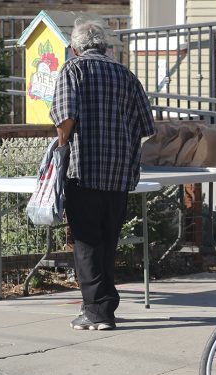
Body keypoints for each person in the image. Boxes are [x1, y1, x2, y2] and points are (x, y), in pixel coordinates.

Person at [50, 19, 155, 330]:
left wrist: (62, 143)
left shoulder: (73, 69)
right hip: (120, 173)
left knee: (85, 242)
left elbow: (65, 118)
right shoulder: (126, 74)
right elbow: (146, 127)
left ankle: (96, 312)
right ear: (106, 46)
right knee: (108, 241)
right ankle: (104, 308)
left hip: (84, 169)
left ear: (75, 48)